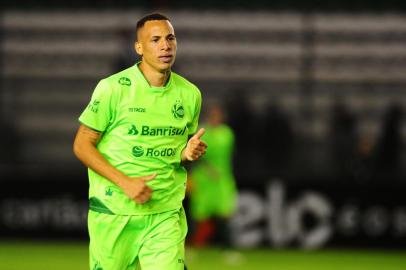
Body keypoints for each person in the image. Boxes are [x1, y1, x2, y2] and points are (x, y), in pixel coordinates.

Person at [73, 13, 207, 270]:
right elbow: (81, 144)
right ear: (139, 47)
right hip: (114, 213)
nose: (165, 46)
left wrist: (185, 153)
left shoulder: (190, 94)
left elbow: (168, 151)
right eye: (155, 40)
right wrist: (125, 182)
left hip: (164, 213)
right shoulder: (113, 89)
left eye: (170, 38)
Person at [188, 102, 237, 247]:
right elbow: (195, 154)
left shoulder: (226, 133)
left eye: (218, 115)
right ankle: (192, 246)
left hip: (222, 178)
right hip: (203, 179)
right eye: (213, 115)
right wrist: (207, 168)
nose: (215, 118)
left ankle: (227, 247)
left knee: (224, 213)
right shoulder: (203, 132)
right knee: (198, 215)